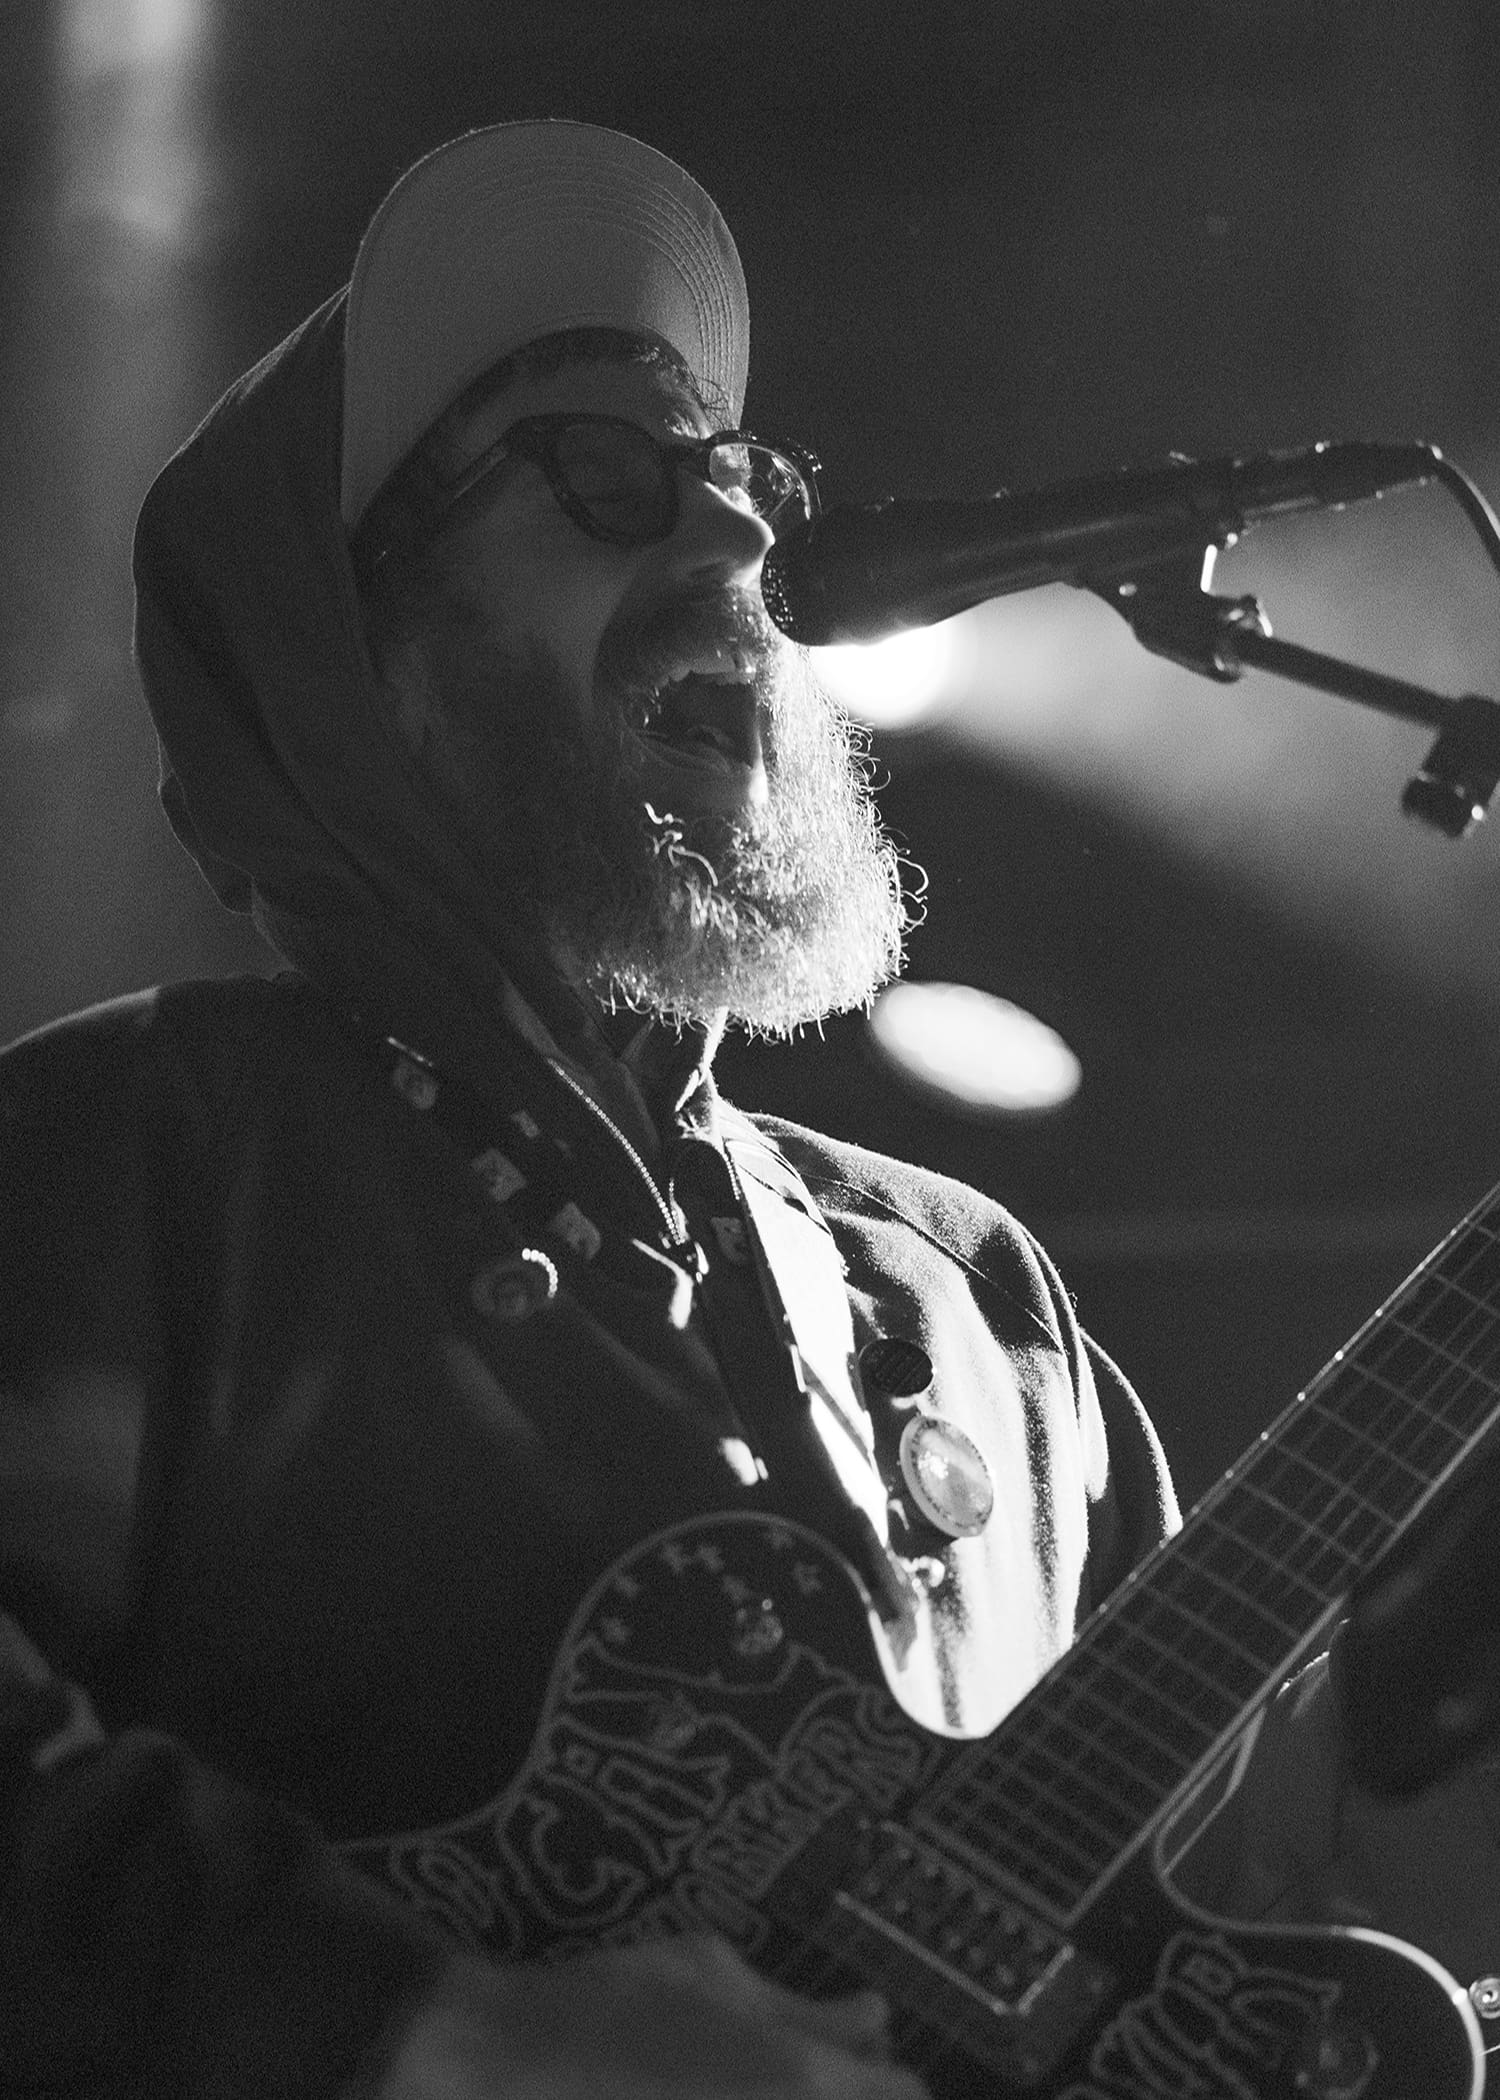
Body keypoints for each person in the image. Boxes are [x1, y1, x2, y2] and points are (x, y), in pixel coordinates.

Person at [0, 117, 1489, 2100]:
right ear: (353, 650)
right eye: (603, 478)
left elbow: (1233, 1936)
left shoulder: (978, 1299)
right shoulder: (134, 1163)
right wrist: (425, 2028)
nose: (732, 549)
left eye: (743, 484)